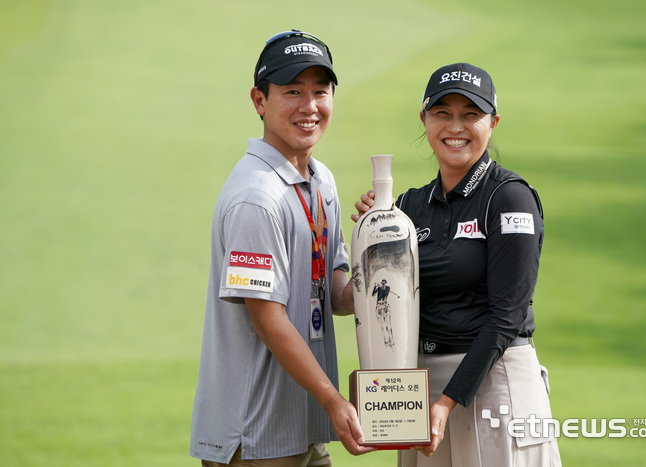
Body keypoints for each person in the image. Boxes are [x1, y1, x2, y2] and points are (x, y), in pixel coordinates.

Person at [352, 63, 562, 466]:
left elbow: (507, 315)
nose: (456, 126)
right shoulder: (410, 207)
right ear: (424, 119)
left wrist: (447, 403)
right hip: (424, 388)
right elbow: (375, 299)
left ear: (493, 122)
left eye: (471, 114)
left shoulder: (509, 198)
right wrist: (371, 233)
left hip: (495, 385)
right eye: (443, 113)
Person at [190, 30, 374, 466]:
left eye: (319, 91)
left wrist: (380, 243)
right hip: (253, 437)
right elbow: (268, 318)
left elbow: (337, 294)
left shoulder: (321, 181)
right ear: (259, 100)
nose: (309, 106)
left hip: (303, 433)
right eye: (292, 91)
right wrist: (333, 399)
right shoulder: (256, 197)